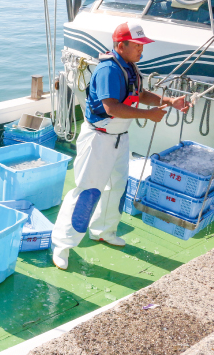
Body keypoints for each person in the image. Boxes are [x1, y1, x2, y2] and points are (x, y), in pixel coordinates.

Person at [51, 21, 190, 270]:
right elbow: (111, 107)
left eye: (142, 45)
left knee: (116, 187)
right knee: (87, 192)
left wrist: (169, 101)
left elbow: (140, 95)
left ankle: (103, 230)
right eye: (136, 45)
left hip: (119, 138)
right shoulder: (107, 70)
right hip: (98, 139)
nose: (141, 50)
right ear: (120, 45)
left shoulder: (130, 67)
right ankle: (62, 245)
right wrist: (148, 115)